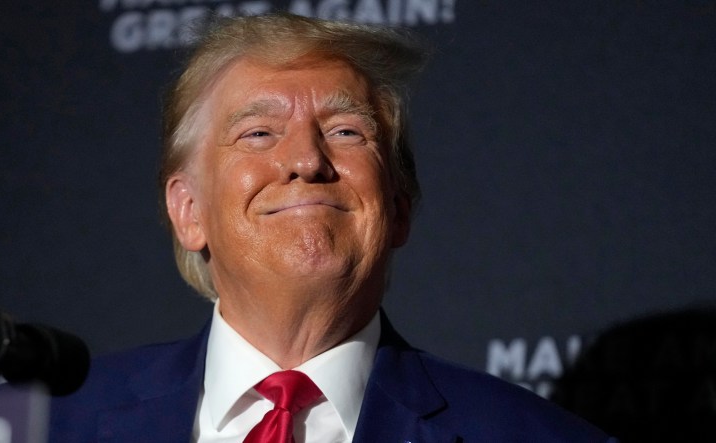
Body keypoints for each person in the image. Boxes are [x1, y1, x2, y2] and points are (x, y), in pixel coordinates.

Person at [49, 13, 615, 442]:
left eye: (346, 131)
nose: (307, 160)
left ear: (398, 206)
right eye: (259, 134)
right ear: (188, 211)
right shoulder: (54, 424)